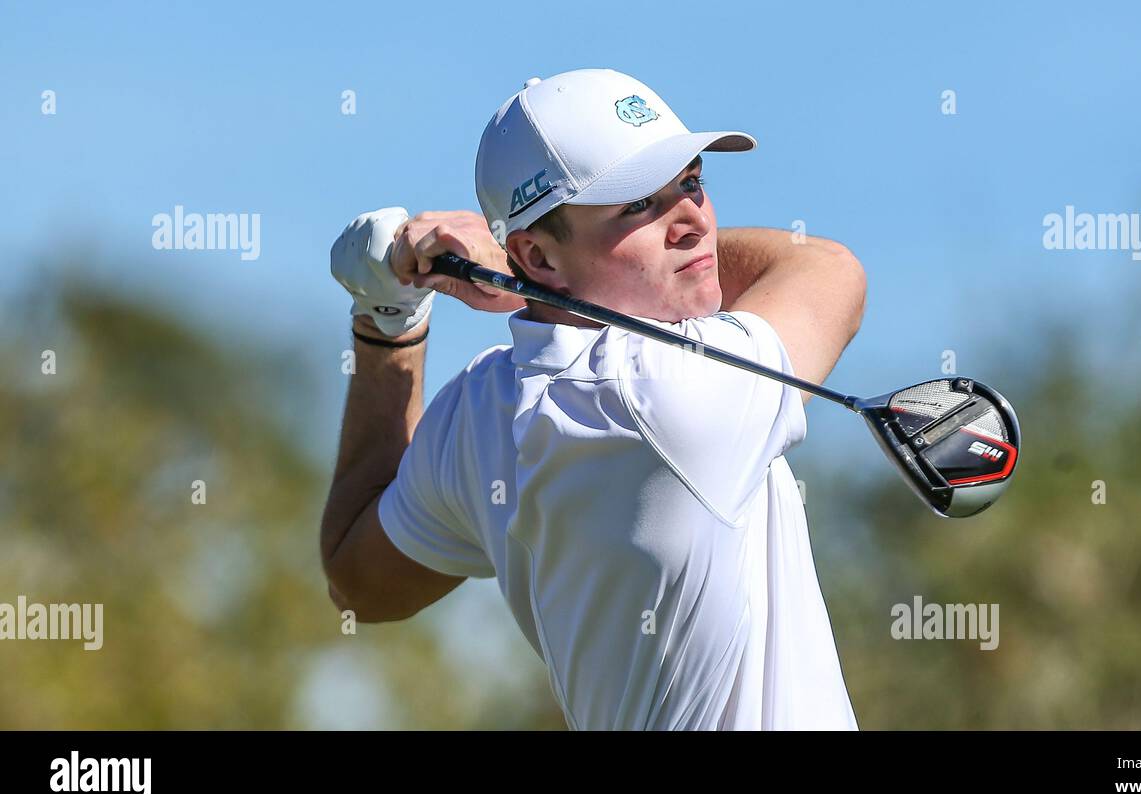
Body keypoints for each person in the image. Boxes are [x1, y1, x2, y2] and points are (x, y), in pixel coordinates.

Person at [320, 68, 866, 730]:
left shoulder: (480, 409)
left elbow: (359, 580)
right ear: (538, 255)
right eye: (638, 205)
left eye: (691, 183)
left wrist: (388, 319)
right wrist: (522, 279)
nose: (692, 221)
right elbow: (828, 269)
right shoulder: (671, 393)